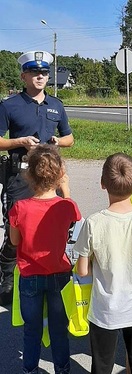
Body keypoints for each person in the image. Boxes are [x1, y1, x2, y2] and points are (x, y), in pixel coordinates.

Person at [75, 153, 132, 374]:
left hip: (105, 308)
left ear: (103, 183)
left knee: (102, 365)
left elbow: (83, 270)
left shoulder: (93, 223)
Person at [0, 50, 74, 306]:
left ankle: (49, 275)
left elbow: (70, 138)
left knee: (51, 227)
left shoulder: (56, 105)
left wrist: (57, 141)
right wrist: (19, 141)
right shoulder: (9, 105)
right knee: (16, 230)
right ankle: (7, 276)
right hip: (20, 174)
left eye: (44, 73)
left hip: (50, 175)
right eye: (34, 72)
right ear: (24, 76)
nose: (40, 76)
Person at [8, 144, 82, 374]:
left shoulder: (20, 207)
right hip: (60, 276)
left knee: (32, 329)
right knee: (59, 328)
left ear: (29, 174)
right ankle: (62, 368)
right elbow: (74, 221)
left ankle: (30, 369)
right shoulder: (66, 206)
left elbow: (14, 241)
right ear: (60, 174)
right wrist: (66, 189)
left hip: (30, 275)